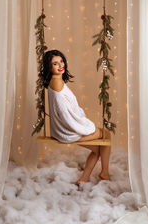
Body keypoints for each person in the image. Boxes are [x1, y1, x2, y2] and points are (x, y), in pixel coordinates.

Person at [42, 49, 111, 185]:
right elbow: (64, 115)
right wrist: (81, 127)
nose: (61, 65)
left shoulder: (56, 80)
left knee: (97, 150)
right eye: (55, 64)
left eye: (61, 61)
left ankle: (84, 179)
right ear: (49, 67)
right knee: (106, 135)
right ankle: (105, 172)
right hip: (67, 131)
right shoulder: (57, 83)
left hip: (65, 129)